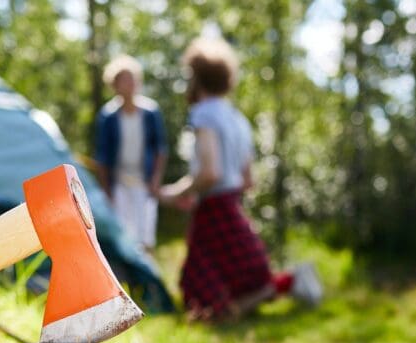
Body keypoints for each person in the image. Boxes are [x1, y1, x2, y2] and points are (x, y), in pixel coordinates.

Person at [159, 37, 321, 320]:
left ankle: (287, 284)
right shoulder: (238, 119)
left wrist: (178, 192)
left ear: (197, 78)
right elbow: (248, 180)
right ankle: (288, 283)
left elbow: (210, 172)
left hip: (214, 206)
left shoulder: (203, 114)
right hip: (230, 201)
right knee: (243, 276)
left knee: (198, 285)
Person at [94, 55, 168, 253]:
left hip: (144, 183)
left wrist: (155, 180)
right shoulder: (108, 116)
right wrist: (106, 190)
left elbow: (160, 149)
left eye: (132, 79)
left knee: (146, 234)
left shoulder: (151, 112)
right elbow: (102, 156)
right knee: (123, 235)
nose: (129, 84)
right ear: (115, 84)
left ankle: (147, 279)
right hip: (119, 184)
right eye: (124, 80)